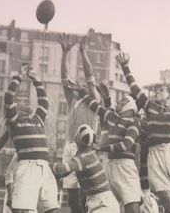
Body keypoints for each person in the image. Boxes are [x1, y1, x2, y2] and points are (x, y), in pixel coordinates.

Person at [116, 53, 170, 213]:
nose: (156, 93)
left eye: (161, 91)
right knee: (168, 203)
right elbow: (134, 88)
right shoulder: (150, 107)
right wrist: (125, 67)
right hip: (154, 155)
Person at [71, 84, 142, 213]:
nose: (119, 101)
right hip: (110, 165)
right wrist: (81, 90)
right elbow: (95, 106)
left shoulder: (134, 121)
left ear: (130, 106)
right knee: (108, 206)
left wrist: (101, 148)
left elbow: (126, 145)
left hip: (125, 165)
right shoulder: (111, 117)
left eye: (123, 100)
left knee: (131, 205)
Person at [4, 64, 59, 213]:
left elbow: (44, 102)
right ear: (16, 110)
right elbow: (8, 98)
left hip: (45, 167)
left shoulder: (37, 120)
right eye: (20, 103)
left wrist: (36, 79)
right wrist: (19, 76)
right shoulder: (14, 122)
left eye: (26, 103)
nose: (24, 104)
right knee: (22, 210)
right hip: (27, 167)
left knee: (52, 208)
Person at [58, 33, 100, 213]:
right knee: (73, 203)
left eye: (86, 84)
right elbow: (64, 78)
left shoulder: (95, 100)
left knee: (86, 200)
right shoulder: (73, 101)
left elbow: (90, 77)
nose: (81, 83)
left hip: (86, 149)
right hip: (70, 147)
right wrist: (65, 53)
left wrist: (83, 52)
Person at [51, 124, 119, 213]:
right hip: (103, 202)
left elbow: (61, 170)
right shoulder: (87, 155)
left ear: (76, 139)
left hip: (102, 205)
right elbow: (63, 173)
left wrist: (44, 163)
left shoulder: (83, 159)